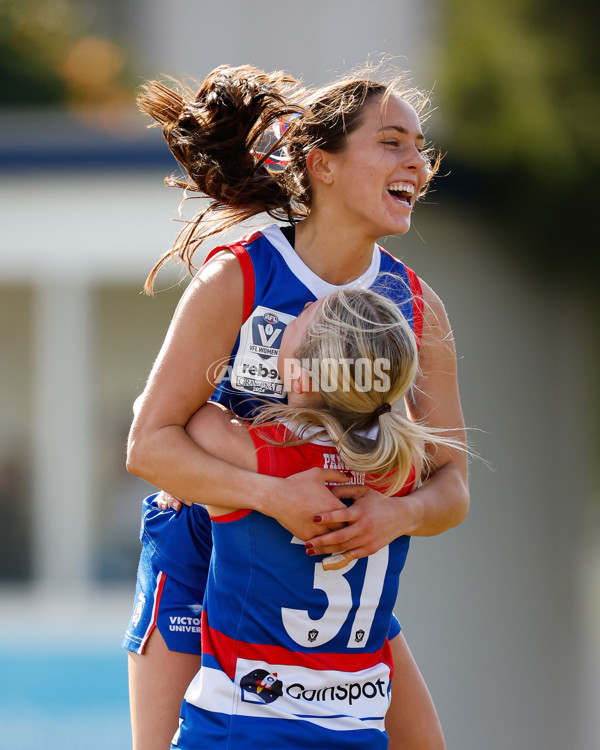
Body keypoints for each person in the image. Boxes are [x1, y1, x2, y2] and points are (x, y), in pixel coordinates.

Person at [125, 62, 469, 750]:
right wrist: (271, 493)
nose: (419, 165)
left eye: (420, 146)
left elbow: (452, 486)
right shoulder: (239, 276)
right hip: (206, 538)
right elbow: (149, 444)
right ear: (323, 164)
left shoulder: (417, 306)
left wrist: (394, 513)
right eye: (393, 142)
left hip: (334, 552)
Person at [170, 287, 461, 749]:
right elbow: (452, 491)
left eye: (302, 319)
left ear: (302, 379)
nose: (301, 306)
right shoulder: (399, 472)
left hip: (242, 729)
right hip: (356, 730)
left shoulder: (262, 454)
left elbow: (178, 420)